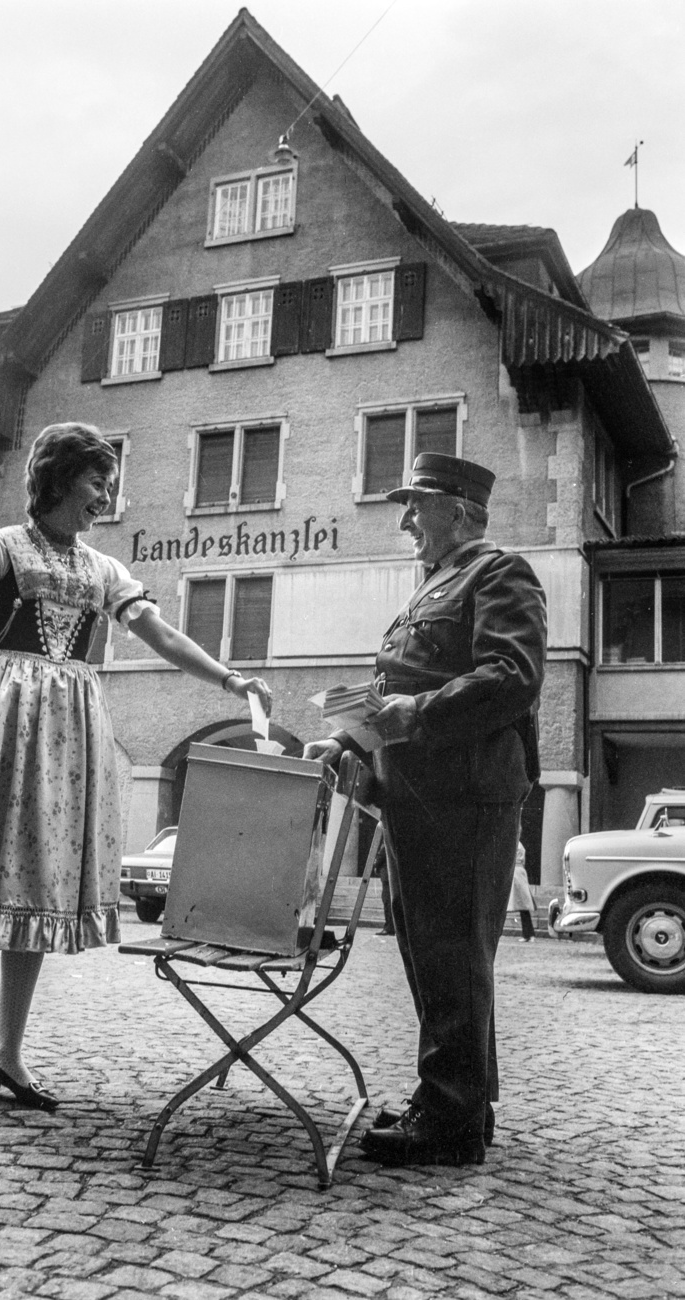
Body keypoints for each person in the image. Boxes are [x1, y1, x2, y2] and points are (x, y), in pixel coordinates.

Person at [0, 422, 272, 1113]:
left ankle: (7, 1053)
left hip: (69, 733)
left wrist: (233, 682)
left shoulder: (104, 571)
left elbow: (160, 635)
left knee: (37, 886)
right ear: (56, 478)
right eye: (96, 479)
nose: (105, 494)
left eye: (110, 481)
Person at [304, 452, 546, 1167]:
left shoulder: (501, 572)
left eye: (417, 504)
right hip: (417, 796)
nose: (406, 519)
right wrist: (346, 733)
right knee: (434, 957)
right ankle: (459, 1102)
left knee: (453, 956)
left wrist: (413, 713)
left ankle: (448, 1125)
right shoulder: (432, 583)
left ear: (460, 510)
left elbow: (512, 677)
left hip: (465, 795)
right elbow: (399, 683)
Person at [508, 841, 536, 942]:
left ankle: (529, 934)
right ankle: (528, 934)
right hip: (519, 871)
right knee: (523, 909)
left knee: (523, 908)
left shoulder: (516, 844)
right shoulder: (519, 845)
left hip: (517, 873)